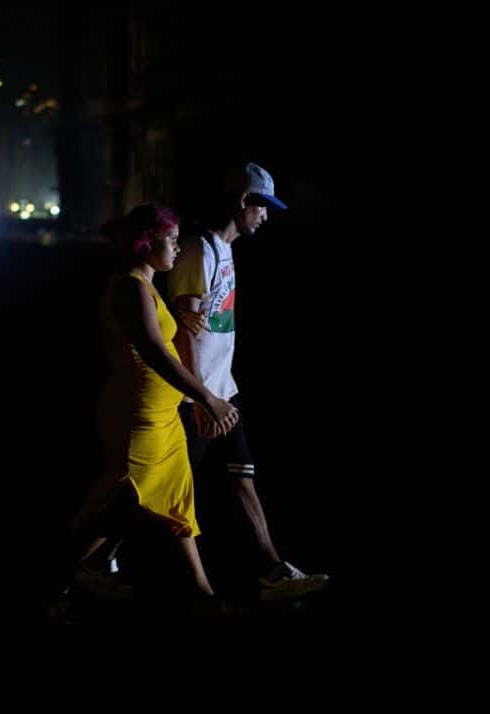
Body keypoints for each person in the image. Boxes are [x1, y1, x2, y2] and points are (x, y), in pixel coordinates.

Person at [167, 162, 330, 600]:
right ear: (242, 202)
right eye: (261, 207)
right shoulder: (200, 252)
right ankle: (92, 563)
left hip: (224, 391)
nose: (265, 216)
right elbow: (185, 333)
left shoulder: (224, 249)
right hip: (197, 398)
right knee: (155, 491)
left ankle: (273, 569)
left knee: (243, 478)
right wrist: (201, 398)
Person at [67, 204, 239, 608]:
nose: (178, 248)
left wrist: (182, 319)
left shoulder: (146, 286)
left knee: (180, 507)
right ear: (146, 243)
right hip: (138, 419)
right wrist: (207, 397)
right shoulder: (129, 286)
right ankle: (62, 580)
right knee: (116, 507)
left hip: (164, 419)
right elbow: (155, 354)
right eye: (172, 239)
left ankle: (205, 595)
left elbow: (162, 340)